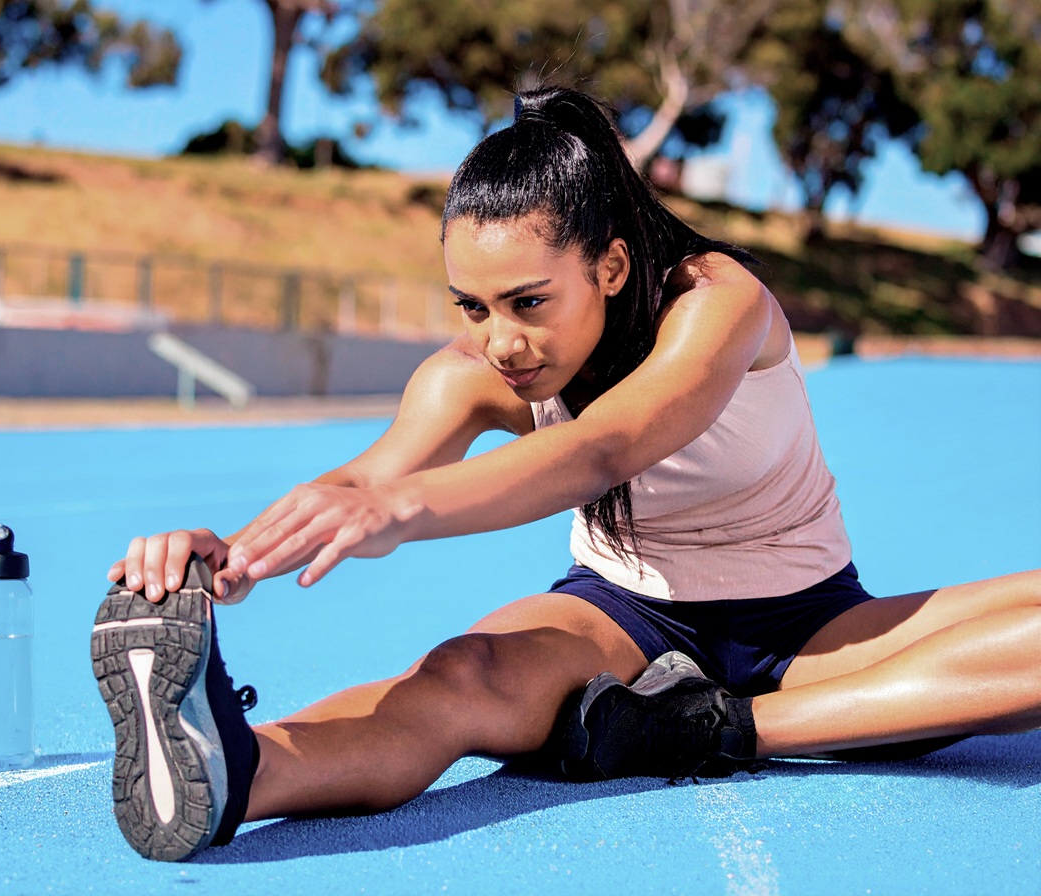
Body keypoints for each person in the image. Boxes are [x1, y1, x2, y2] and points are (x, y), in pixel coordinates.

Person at [91, 86, 1041, 863]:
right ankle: (235, 772)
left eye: (529, 302)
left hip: (811, 621)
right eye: (471, 306)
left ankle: (720, 730)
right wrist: (225, 556)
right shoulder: (473, 377)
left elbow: (605, 447)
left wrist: (403, 508)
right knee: (463, 673)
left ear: (614, 266)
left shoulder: (716, 302)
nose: (501, 340)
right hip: (620, 617)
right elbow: (366, 481)